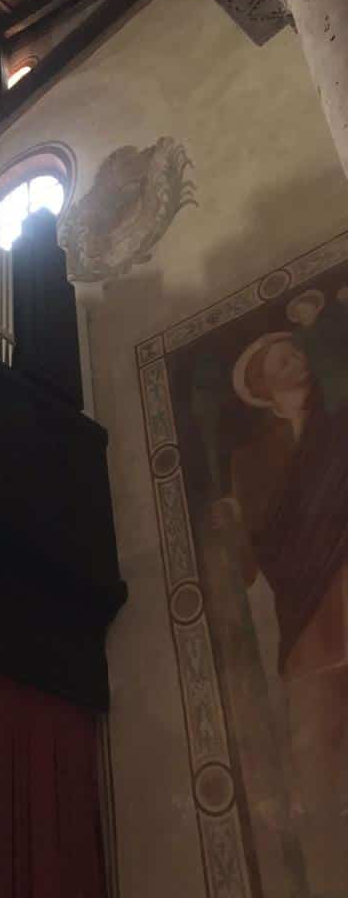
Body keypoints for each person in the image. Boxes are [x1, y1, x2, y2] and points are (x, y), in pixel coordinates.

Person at [213, 331, 348, 895]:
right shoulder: (250, 460)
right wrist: (227, 529)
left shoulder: (338, 423)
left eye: (296, 351)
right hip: (304, 614)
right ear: (263, 386)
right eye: (281, 359)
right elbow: (249, 556)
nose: (296, 360)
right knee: (316, 760)